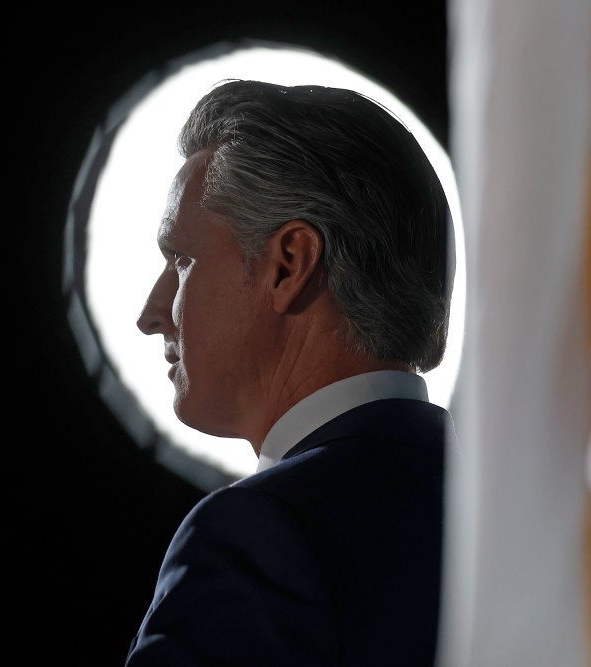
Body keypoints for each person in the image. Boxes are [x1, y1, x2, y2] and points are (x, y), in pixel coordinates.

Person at [125, 79, 459, 666]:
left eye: (181, 261)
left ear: (289, 264)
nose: (152, 315)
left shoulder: (253, 534)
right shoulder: (530, 515)